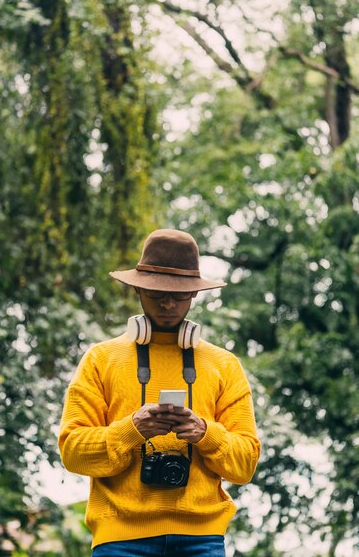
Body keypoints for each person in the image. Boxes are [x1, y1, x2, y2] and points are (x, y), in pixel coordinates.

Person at [58, 229, 261, 557]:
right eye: (157, 293)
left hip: (203, 541)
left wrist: (205, 434)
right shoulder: (100, 359)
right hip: (119, 541)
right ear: (138, 288)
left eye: (179, 295)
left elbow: (245, 465)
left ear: (194, 294)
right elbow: (72, 452)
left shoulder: (225, 365)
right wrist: (131, 430)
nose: (168, 303)